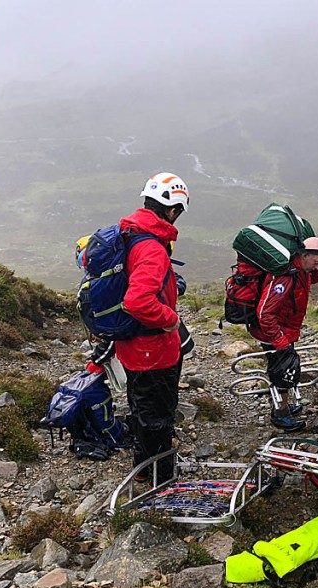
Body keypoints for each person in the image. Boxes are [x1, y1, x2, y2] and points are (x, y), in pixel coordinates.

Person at [114, 172, 188, 483]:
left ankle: (144, 469)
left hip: (133, 344)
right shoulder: (152, 248)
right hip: (152, 349)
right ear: (172, 210)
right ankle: (162, 479)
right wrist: (170, 320)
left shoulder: (131, 232)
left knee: (141, 405)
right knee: (157, 415)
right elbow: (138, 301)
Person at [248, 236, 318, 431]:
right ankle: (280, 415)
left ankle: (283, 408)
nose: (317, 268)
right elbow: (264, 312)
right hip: (273, 333)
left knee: (283, 369)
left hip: (284, 331)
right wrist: (280, 342)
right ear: (304, 255)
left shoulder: (302, 271)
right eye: (316, 262)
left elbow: (315, 276)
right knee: (282, 372)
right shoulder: (285, 276)